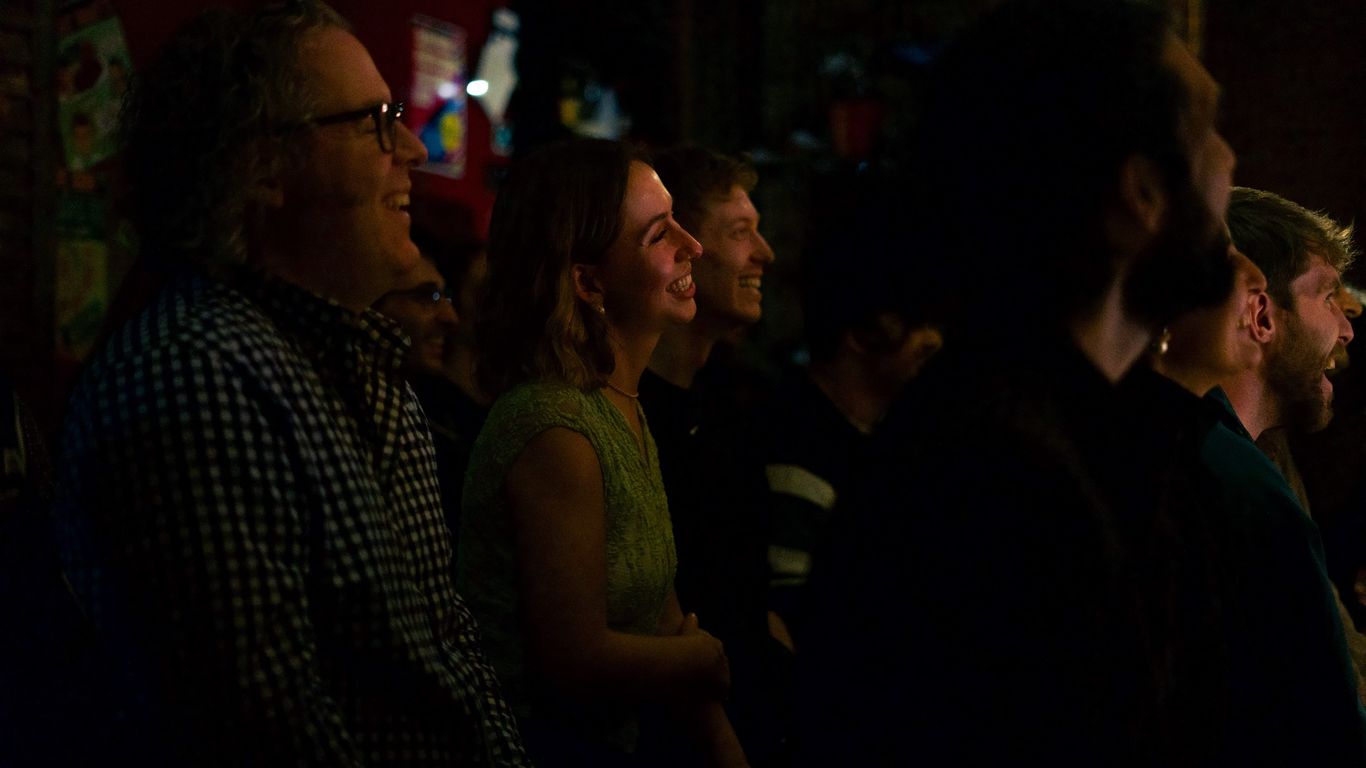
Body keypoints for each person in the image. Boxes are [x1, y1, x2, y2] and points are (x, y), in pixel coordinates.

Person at [51, 3, 528, 764]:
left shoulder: (364, 362)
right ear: (262, 167)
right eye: (374, 121)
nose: (409, 146)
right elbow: (268, 733)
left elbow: (454, 660)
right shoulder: (197, 378)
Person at [797, 0, 1237, 763]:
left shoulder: (1088, 429)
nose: (1231, 161)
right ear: (1142, 192)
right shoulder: (989, 483)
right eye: (1207, 131)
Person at [457, 138, 746, 766]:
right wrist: (698, 657)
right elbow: (571, 659)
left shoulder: (622, 406)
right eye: (658, 235)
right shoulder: (554, 428)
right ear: (589, 281)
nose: (692, 245)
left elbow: (659, 609)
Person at [635, 145, 789, 762]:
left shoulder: (733, 403)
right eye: (740, 232)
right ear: (681, 247)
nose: (765, 253)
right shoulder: (624, 415)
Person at [761, 170, 943, 643]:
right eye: (917, 323)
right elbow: (794, 629)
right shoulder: (799, 456)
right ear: (860, 335)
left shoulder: (889, 438)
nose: (936, 340)